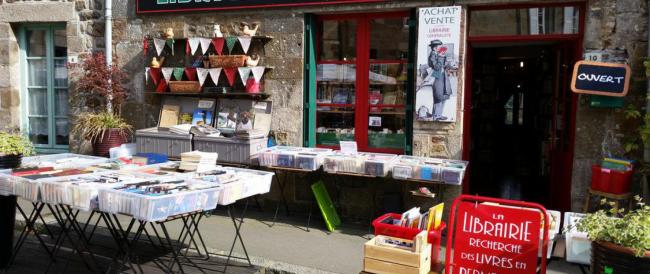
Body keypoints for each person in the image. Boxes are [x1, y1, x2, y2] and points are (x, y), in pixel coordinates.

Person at [427, 39, 456, 121]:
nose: (441, 48)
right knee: (438, 96)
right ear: (434, 48)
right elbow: (436, 67)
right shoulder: (432, 55)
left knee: (444, 96)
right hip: (437, 76)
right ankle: (436, 115)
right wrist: (440, 57)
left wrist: (449, 64)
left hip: (443, 76)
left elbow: (444, 65)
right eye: (439, 46)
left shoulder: (439, 55)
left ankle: (439, 114)